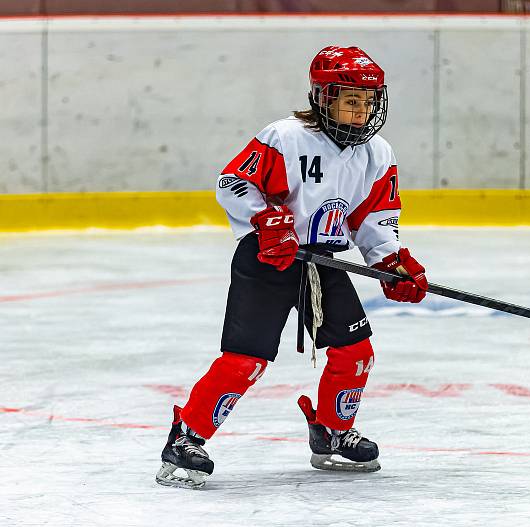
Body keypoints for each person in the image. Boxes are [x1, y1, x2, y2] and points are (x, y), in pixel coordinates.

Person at [155, 45, 429, 489]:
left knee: (355, 353)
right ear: (323, 98)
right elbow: (234, 182)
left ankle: (332, 432)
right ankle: (186, 437)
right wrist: (265, 220)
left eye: (368, 100)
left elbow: (373, 218)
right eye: (350, 99)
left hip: (323, 263)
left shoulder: (377, 153)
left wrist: (390, 261)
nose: (361, 111)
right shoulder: (285, 137)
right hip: (268, 258)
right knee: (247, 359)